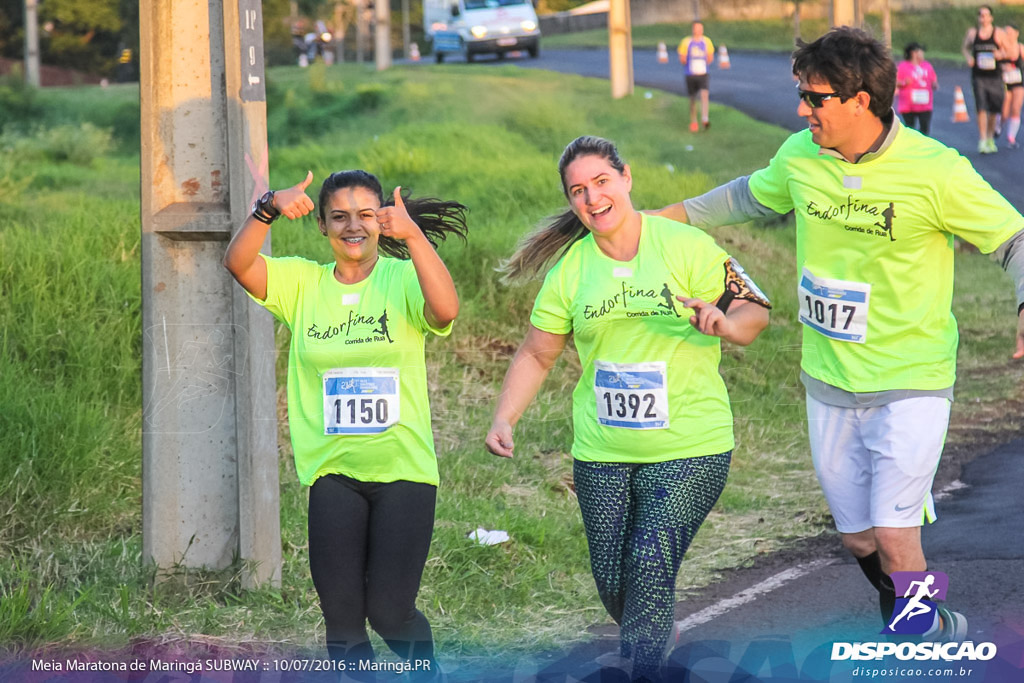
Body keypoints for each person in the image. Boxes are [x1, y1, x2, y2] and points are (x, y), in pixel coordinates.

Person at [650, 26, 1024, 642]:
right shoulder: (801, 155)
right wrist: (664, 218)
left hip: (912, 377)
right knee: (859, 537)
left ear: (860, 100)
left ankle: (919, 644)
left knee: (897, 534)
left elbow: (1012, 239)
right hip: (827, 379)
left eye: (815, 98)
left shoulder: (935, 171)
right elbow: (748, 196)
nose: (803, 109)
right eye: (801, 94)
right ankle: (926, 620)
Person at [485, 136, 771, 682]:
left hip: (691, 445)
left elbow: (754, 309)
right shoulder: (570, 270)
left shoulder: (685, 246)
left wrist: (725, 323)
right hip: (602, 453)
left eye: (601, 183)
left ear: (626, 178)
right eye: (578, 191)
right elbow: (537, 352)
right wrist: (505, 417)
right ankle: (655, 627)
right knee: (616, 584)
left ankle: (646, 666)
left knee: (647, 562)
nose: (592, 199)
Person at [223, 169, 468, 681]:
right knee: (341, 619)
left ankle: (428, 674)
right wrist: (267, 207)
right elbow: (239, 263)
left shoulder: (401, 280)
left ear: (382, 220)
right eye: (339, 216)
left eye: (365, 215)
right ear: (323, 226)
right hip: (334, 474)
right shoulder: (302, 283)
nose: (352, 226)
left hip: (403, 471)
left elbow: (445, 309)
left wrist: (414, 235)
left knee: (389, 612)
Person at [962, 4, 1007, 153]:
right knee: (981, 108)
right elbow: (965, 48)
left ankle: (989, 138)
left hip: (995, 77)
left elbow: (1008, 50)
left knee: (994, 110)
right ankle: (982, 140)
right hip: (979, 77)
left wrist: (1000, 54)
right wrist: (969, 57)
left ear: (991, 17)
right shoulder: (972, 34)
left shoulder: (999, 33)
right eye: (981, 15)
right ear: (978, 17)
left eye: (986, 15)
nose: (984, 18)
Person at [677, 22, 715, 132]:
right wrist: (688, 60)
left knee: (704, 95)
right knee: (693, 99)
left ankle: (705, 118)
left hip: (703, 73)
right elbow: (682, 58)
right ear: (693, 29)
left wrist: (705, 60)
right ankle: (694, 121)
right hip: (690, 74)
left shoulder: (706, 41)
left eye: (700, 28)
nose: (698, 31)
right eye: (696, 28)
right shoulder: (686, 42)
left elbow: (710, 56)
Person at [895, 42, 938, 136]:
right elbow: (895, 81)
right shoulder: (903, 66)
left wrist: (934, 84)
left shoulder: (927, 66)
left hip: (925, 104)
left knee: (925, 130)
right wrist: (903, 82)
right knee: (910, 129)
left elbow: (933, 79)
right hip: (908, 105)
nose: (923, 54)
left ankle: (923, 149)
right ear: (914, 53)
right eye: (921, 52)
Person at [999, 22, 1023, 148]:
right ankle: (998, 126)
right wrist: (1003, 66)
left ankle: (1011, 137)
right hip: (1004, 82)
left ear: (1016, 33)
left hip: (1018, 82)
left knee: (1016, 108)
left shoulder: (1020, 48)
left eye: (1010, 33)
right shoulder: (1001, 49)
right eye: (1005, 33)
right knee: (1004, 111)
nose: (1007, 35)